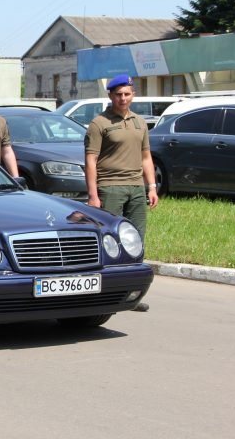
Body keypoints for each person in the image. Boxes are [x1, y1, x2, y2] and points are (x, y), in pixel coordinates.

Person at [84, 74, 158, 312]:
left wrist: (151, 186)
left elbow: (146, 157)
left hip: (136, 187)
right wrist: (93, 195)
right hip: (110, 187)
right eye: (118, 95)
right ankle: (103, 293)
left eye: (127, 94)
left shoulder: (140, 122)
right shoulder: (99, 124)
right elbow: (90, 161)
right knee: (109, 240)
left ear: (133, 94)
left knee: (135, 239)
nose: (123, 98)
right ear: (110, 96)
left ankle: (130, 292)